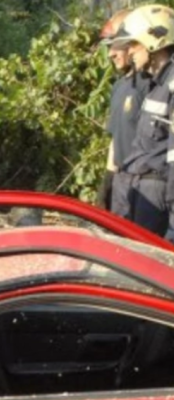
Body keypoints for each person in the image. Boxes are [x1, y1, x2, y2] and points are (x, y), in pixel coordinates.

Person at [110, 4, 174, 239]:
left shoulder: (171, 85)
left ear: (152, 42)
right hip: (137, 189)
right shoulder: (154, 86)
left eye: (133, 44)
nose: (129, 51)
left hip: (156, 192)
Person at [100, 8, 149, 212]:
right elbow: (116, 139)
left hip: (145, 183)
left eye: (116, 45)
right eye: (109, 46)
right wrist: (108, 181)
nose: (111, 53)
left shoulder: (150, 84)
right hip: (121, 182)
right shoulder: (119, 87)